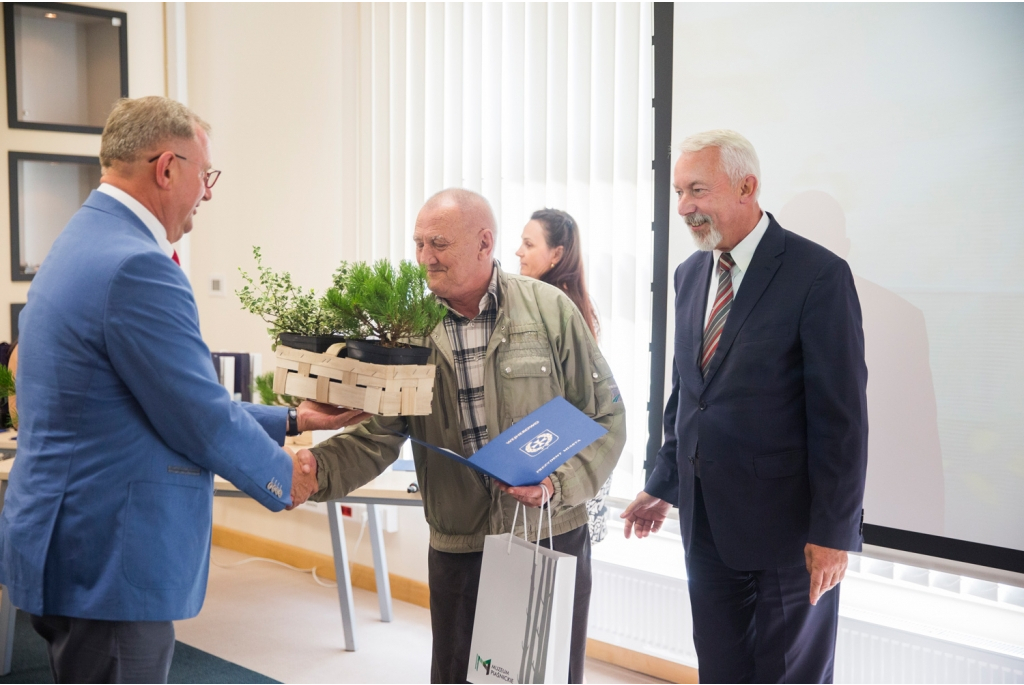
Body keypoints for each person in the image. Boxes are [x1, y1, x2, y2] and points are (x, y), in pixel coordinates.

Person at [0, 96, 369, 684]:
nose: (209, 192)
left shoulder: (81, 240)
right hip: (110, 555)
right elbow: (198, 417)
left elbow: (150, 400)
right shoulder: (136, 266)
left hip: (62, 535)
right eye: (206, 174)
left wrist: (295, 419)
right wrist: (285, 475)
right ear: (167, 168)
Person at [296, 188, 626, 684]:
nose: (424, 258)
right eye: (418, 243)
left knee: (547, 674)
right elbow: (379, 436)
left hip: (547, 534)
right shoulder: (409, 331)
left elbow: (605, 416)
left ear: (484, 242)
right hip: (459, 543)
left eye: (438, 243)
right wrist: (315, 471)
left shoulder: (549, 310)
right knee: (459, 675)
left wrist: (554, 482)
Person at [621, 130, 868, 683]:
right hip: (706, 523)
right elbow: (688, 393)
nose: (684, 206)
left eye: (698, 190)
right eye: (680, 191)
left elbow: (842, 419)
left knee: (788, 675)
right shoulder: (691, 274)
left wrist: (833, 534)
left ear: (746, 187)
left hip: (789, 535)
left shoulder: (818, 276)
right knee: (721, 670)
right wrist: (663, 483)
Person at [515, 209, 611, 544]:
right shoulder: (568, 301)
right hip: (569, 458)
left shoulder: (555, 307)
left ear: (556, 254)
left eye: (529, 244)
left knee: (555, 573)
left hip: (564, 462)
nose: (518, 252)